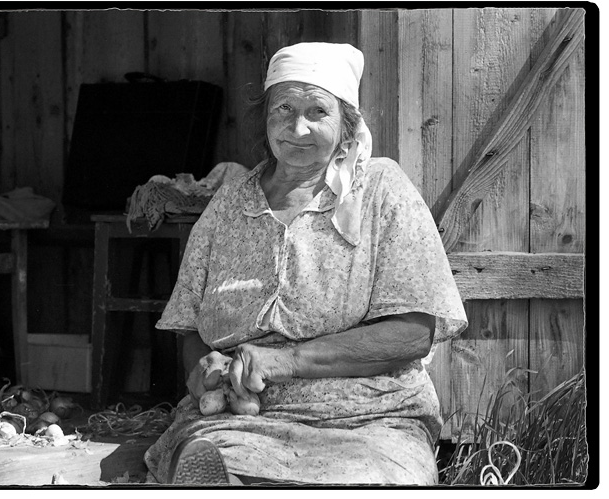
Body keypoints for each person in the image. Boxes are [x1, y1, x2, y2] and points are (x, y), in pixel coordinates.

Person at [143, 41, 468, 485]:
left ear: (346, 122)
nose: (297, 128)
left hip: (368, 418)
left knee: (365, 480)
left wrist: (288, 361)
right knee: (215, 467)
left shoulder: (381, 190)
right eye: (284, 109)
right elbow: (190, 326)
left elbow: (412, 333)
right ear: (265, 116)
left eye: (318, 112)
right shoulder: (230, 203)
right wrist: (203, 371)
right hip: (240, 419)